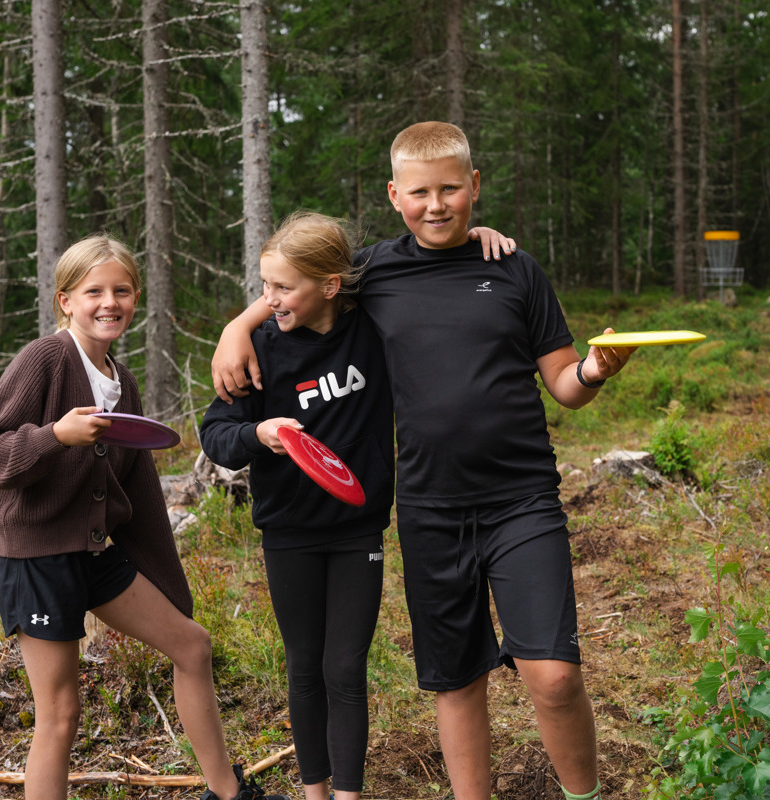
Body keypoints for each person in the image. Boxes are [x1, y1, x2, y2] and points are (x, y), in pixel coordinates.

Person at [211, 122, 636, 800]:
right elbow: (295, 284)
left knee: (552, 675)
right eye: (419, 193)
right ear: (394, 195)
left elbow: (565, 386)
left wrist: (594, 368)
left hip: (521, 499)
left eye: (449, 190)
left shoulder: (514, 268)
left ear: (474, 186)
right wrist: (237, 329)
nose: (435, 206)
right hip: (430, 509)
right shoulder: (372, 273)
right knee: (455, 679)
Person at [0, 234, 287, 800]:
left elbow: (138, 495)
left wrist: (170, 590)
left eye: (121, 290)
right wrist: (54, 437)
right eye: (94, 291)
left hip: (95, 555)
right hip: (36, 558)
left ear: (136, 298)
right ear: (65, 300)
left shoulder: (123, 382)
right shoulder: (44, 359)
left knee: (192, 645)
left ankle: (228, 794)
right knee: (60, 712)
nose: (108, 302)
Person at [199, 211, 394, 800]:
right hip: (288, 531)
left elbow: (424, 250)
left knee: (345, 670)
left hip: (358, 527)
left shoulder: (373, 326)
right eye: (263, 287)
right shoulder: (260, 348)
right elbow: (215, 433)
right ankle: (314, 792)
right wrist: (261, 434)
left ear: (330, 285)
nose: (269, 299)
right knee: (304, 667)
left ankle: (347, 795)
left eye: (282, 288)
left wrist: (483, 236)